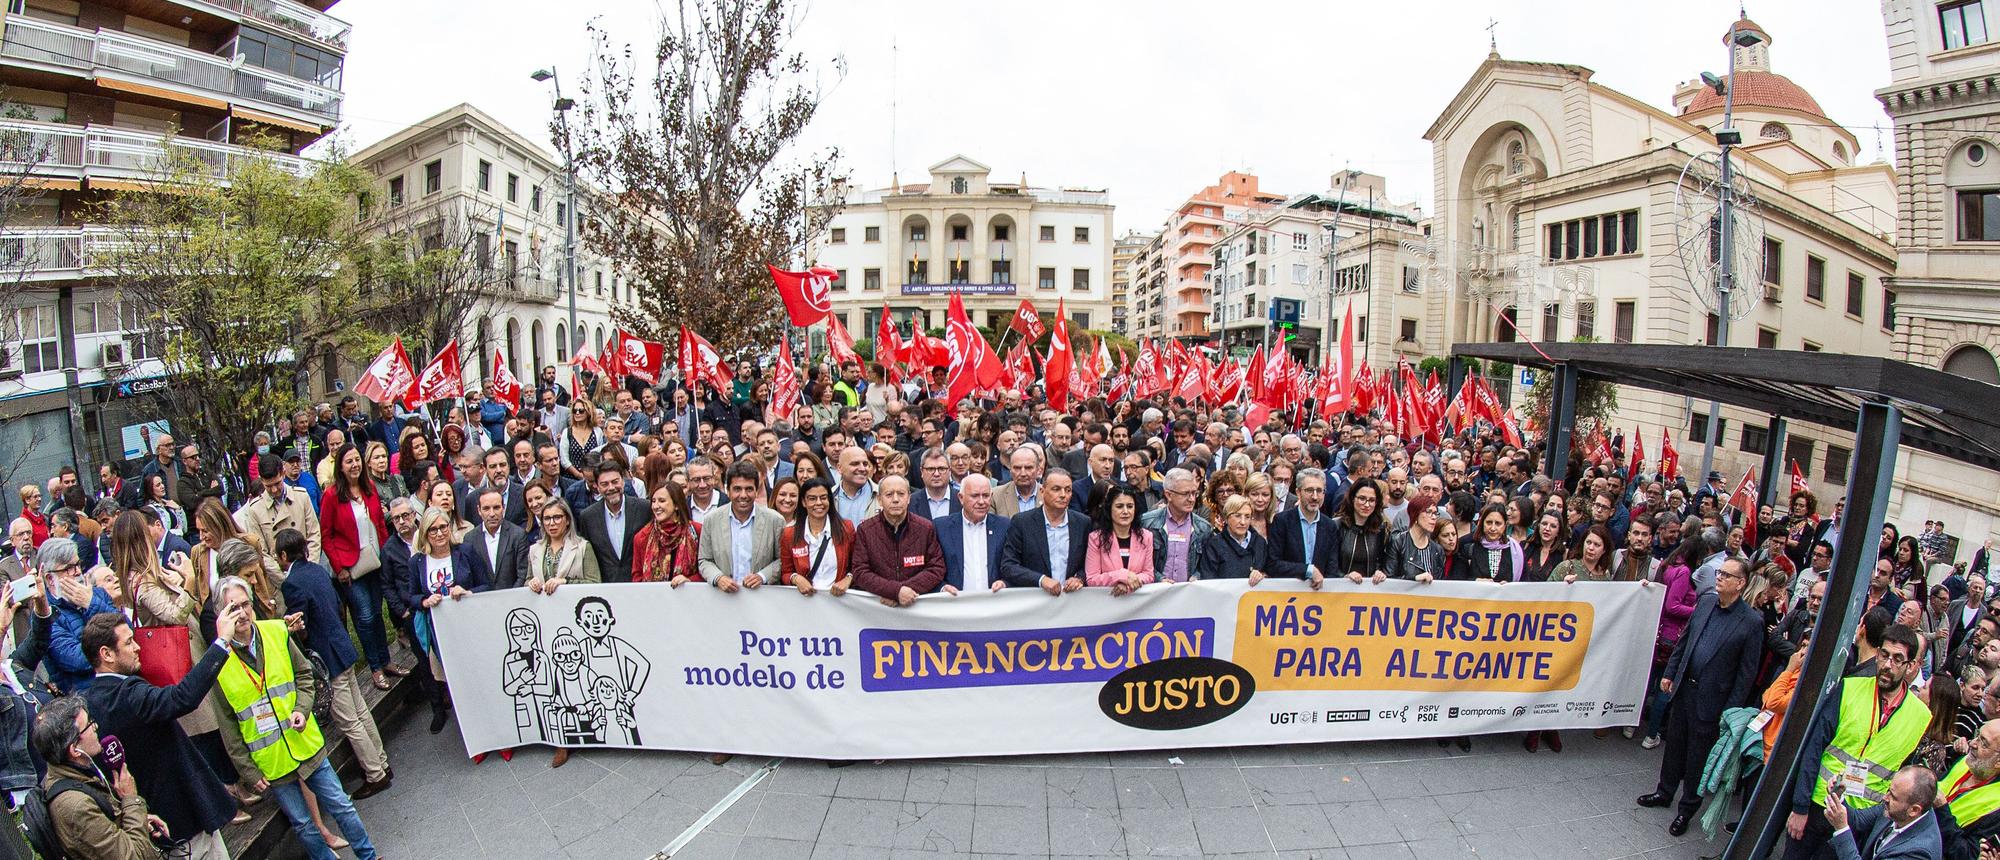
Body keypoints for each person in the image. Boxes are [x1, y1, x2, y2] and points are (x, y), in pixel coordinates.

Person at [207, 576, 378, 860]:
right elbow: (228, 726)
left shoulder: (276, 632)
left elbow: (304, 675)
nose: (242, 613)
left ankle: (368, 856)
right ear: (220, 615)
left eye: (245, 604)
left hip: (304, 741)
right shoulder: (218, 661)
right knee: (302, 824)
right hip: (272, 760)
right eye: (233, 608)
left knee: (341, 806)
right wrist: (249, 771)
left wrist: (301, 708)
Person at [81, 604, 249, 860]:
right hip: (184, 823)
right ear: (107, 654)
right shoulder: (130, 694)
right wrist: (222, 642)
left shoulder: (90, 702)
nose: (138, 647)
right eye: (128, 643)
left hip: (159, 824)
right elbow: (183, 698)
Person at [1780, 623, 1933, 859]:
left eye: (1897, 659)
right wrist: (1800, 807)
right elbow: (1814, 747)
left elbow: (1903, 773)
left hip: (1860, 818)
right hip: (1818, 804)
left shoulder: (1920, 717)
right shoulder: (1850, 688)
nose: (1887, 665)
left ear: (1911, 666)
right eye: (1884, 655)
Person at [1639, 557, 1767, 836]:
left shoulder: (1751, 622)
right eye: (1719, 572)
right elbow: (1685, 641)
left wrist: (1729, 711)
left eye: (1726, 575)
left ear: (1740, 583)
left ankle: (1687, 809)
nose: (1718, 577)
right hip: (1685, 689)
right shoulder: (1707, 602)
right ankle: (1664, 792)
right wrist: (1670, 673)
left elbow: (1746, 675)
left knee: (1697, 757)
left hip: (1713, 702)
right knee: (1674, 746)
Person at [271, 528, 392, 797]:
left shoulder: (291, 584)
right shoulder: (316, 571)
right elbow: (337, 604)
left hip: (327, 657)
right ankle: (381, 762)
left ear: (282, 555)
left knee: (349, 721)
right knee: (361, 711)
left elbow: (299, 624)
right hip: (342, 647)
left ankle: (375, 774)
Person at [31, 695, 171, 860]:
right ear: (75, 750)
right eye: (89, 724)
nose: (95, 726)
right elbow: (135, 856)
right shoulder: (76, 807)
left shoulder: (68, 774)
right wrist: (132, 801)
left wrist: (137, 819)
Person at [402, 508, 488, 734]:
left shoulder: (465, 552)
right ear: (425, 533)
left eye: (443, 527)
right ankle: (472, 729)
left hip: (469, 627)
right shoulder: (417, 562)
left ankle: (490, 722)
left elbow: (486, 586)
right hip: (440, 633)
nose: (439, 533)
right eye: (433, 529)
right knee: (455, 679)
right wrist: (425, 600)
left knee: (478, 674)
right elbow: (410, 596)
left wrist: (468, 592)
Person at [319, 442, 394, 691]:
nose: (354, 465)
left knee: (377, 613)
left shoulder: (369, 488)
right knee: (364, 616)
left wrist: (385, 552)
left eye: (357, 460)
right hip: (351, 567)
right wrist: (339, 567)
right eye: (348, 461)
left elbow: (380, 524)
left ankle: (386, 660)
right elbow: (326, 535)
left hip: (374, 561)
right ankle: (374, 666)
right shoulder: (331, 496)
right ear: (340, 466)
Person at [696, 462, 784, 594]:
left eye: (749, 489)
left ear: (756, 490)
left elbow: (782, 560)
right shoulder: (711, 520)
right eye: (737, 489)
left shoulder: (775, 521)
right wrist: (718, 578)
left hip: (763, 598)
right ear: (728, 490)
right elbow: (704, 560)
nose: (743, 495)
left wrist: (762, 576)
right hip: (723, 598)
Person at [1822, 765, 1942, 860]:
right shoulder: (1900, 808)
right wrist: (1838, 797)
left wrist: (1841, 828)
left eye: (1893, 796)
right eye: (1889, 790)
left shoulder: (1919, 852)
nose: (1885, 797)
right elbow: (1858, 820)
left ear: (1914, 810)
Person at [998, 470, 1089, 594]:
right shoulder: (1022, 522)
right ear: (1042, 491)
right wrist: (1041, 580)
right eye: (1056, 489)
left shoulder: (1082, 523)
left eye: (1068, 490)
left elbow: (1088, 563)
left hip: (1071, 600)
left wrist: (1079, 578)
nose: (1063, 495)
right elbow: (1009, 566)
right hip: (1035, 601)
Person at [234, 457, 321, 570]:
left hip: (305, 569)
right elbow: (261, 552)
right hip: (277, 578)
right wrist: (283, 579)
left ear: (283, 473)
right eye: (268, 486)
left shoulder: (301, 497)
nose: (274, 490)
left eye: (277, 483)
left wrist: (308, 568)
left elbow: (314, 535)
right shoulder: (255, 509)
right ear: (261, 480)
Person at [577, 461, 651, 584]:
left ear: (623, 481)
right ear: (597, 486)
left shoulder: (644, 509)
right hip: (606, 588)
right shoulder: (588, 517)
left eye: (615, 482)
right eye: (604, 484)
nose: (611, 488)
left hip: (639, 585)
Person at [1936, 719, 2000, 859]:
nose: (1972, 743)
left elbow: (1966, 855)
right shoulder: (1966, 762)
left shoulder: (1997, 809)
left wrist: (1941, 810)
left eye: (1983, 742)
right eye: (1977, 735)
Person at [777, 478, 851, 596]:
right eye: (812, 498)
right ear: (803, 502)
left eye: (823, 498)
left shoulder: (846, 528)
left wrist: (848, 579)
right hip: (806, 601)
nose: (818, 503)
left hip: (838, 601)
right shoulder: (789, 534)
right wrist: (796, 579)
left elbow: (857, 566)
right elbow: (785, 572)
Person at [937, 474, 1008, 596]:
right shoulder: (941, 528)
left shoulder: (1004, 526)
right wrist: (942, 587)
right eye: (975, 496)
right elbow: (931, 568)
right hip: (955, 605)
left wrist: (1005, 583)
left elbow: (1013, 565)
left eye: (985, 496)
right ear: (961, 498)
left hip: (995, 605)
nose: (981, 501)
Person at [1139, 468, 1212, 583]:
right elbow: (1139, 562)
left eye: (1194, 493)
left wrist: (1197, 576)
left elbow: (1206, 565)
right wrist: (1159, 579)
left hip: (1188, 594)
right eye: (1185, 494)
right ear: (1168, 495)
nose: (1191, 499)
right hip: (1155, 593)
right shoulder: (1147, 523)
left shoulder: (1203, 528)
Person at [1268, 468, 1335, 587]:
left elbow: (1332, 567)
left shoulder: (1329, 526)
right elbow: (1273, 564)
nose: (1315, 497)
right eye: (1309, 490)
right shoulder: (1282, 521)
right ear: (1298, 492)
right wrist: (1308, 570)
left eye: (1319, 491)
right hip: (1287, 596)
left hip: (1320, 596)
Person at [1084, 484, 1153, 595]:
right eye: (1119, 506)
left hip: (1138, 604)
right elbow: (1092, 578)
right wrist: (1121, 576)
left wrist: (1128, 584)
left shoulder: (1146, 537)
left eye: (1130, 506)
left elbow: (1149, 574)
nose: (1125, 511)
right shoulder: (1096, 538)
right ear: (1109, 509)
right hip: (1107, 603)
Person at [631, 484, 701, 585]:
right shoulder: (642, 537)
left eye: (662, 501)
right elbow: (637, 577)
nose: (656, 506)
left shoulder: (697, 531)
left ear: (676, 505)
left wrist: (689, 581)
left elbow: (705, 571)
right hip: (653, 598)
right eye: (653, 501)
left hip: (689, 597)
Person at [469, 486, 532, 591]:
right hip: (482, 602)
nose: (492, 514)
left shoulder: (518, 535)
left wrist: (508, 599)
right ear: (479, 510)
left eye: (496, 507)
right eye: (486, 508)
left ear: (503, 508)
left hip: (513, 601)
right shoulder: (470, 539)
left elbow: (522, 574)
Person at [1197, 495, 1268, 581]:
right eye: (1237, 516)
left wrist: (1261, 575)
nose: (1243, 522)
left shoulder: (1260, 543)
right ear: (1226, 518)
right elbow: (1208, 579)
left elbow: (1268, 573)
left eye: (1247, 517)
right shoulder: (1214, 545)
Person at [1333, 477, 1389, 584]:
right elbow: (1330, 564)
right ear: (1353, 498)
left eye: (1372, 500)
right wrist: (1345, 576)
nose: (1367, 505)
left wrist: (1379, 572)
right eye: (1362, 498)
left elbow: (1379, 560)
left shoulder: (1379, 528)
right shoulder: (1337, 525)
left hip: (1368, 593)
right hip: (1340, 591)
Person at [1385, 495, 1449, 582]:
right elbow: (1389, 579)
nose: (1434, 517)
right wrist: (1414, 578)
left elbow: (1440, 583)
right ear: (1415, 515)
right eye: (1429, 512)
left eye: (1435, 513)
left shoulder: (1437, 549)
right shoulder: (1398, 541)